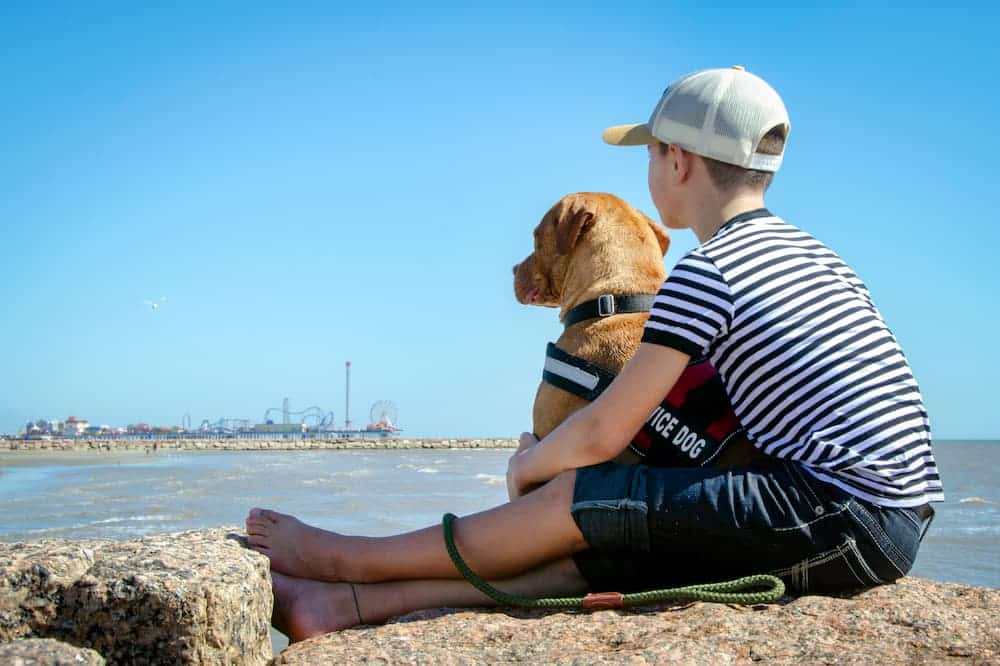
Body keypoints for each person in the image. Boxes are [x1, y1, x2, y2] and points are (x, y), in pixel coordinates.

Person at [246, 66, 943, 643]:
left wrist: (529, 466)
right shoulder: (816, 256)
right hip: (890, 519)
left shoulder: (713, 269)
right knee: (614, 537)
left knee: (581, 497)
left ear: (679, 159)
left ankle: (349, 559)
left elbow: (606, 426)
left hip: (840, 511)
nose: (648, 166)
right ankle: (343, 608)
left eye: (648, 152)